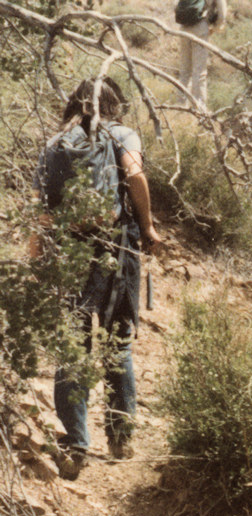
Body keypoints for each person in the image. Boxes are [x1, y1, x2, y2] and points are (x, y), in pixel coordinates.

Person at [34, 78, 162, 476]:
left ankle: (76, 444)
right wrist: (149, 228)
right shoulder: (121, 133)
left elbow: (41, 211)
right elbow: (136, 177)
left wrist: (37, 259)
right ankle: (120, 437)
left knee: (73, 346)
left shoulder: (54, 144)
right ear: (113, 104)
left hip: (68, 252)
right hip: (114, 248)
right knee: (117, 341)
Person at [176, 0, 227, 108]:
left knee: (184, 70)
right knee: (199, 72)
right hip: (200, 28)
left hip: (183, 28)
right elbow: (222, 15)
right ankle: (199, 108)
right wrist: (215, 28)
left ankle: (180, 105)